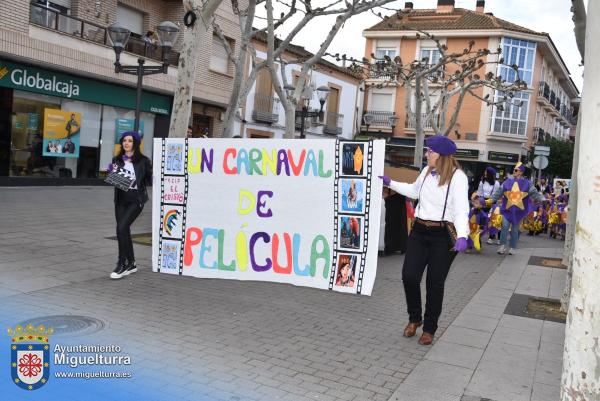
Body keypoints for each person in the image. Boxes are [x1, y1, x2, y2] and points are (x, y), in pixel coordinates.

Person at [379, 135, 469, 345]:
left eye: (430, 151)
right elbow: (413, 191)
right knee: (409, 276)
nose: (427, 154)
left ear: (441, 155)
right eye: (428, 151)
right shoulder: (426, 172)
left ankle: (429, 328)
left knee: (434, 283)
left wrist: (463, 235)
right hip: (419, 231)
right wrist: (390, 182)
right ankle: (415, 318)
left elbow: (461, 209)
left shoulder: (458, 177)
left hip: (442, 235)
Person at [108, 131, 152, 279]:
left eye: (130, 141)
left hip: (136, 200)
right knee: (124, 230)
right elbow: (116, 181)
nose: (126, 143)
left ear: (136, 143)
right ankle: (132, 263)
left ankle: (122, 263)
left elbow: (149, 181)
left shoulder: (143, 161)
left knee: (120, 228)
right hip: (120, 200)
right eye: (124, 140)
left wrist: (154, 175)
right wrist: (112, 173)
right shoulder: (117, 160)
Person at [487, 162, 545, 255]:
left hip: (518, 211)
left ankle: (512, 247)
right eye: (514, 169)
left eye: (516, 170)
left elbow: (534, 193)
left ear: (521, 172)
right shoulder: (507, 181)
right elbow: (499, 192)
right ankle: (502, 246)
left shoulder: (527, 183)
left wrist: (542, 199)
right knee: (505, 226)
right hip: (507, 209)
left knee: (515, 229)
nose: (514, 171)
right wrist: (491, 200)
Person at [476, 166, 501, 244]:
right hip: (483, 202)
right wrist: (476, 201)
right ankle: (478, 237)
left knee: (493, 220)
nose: (485, 173)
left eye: (486, 172)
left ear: (490, 174)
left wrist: (497, 202)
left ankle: (492, 237)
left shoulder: (496, 184)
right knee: (480, 220)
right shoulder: (482, 182)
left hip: (492, 202)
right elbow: (479, 193)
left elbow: (498, 194)